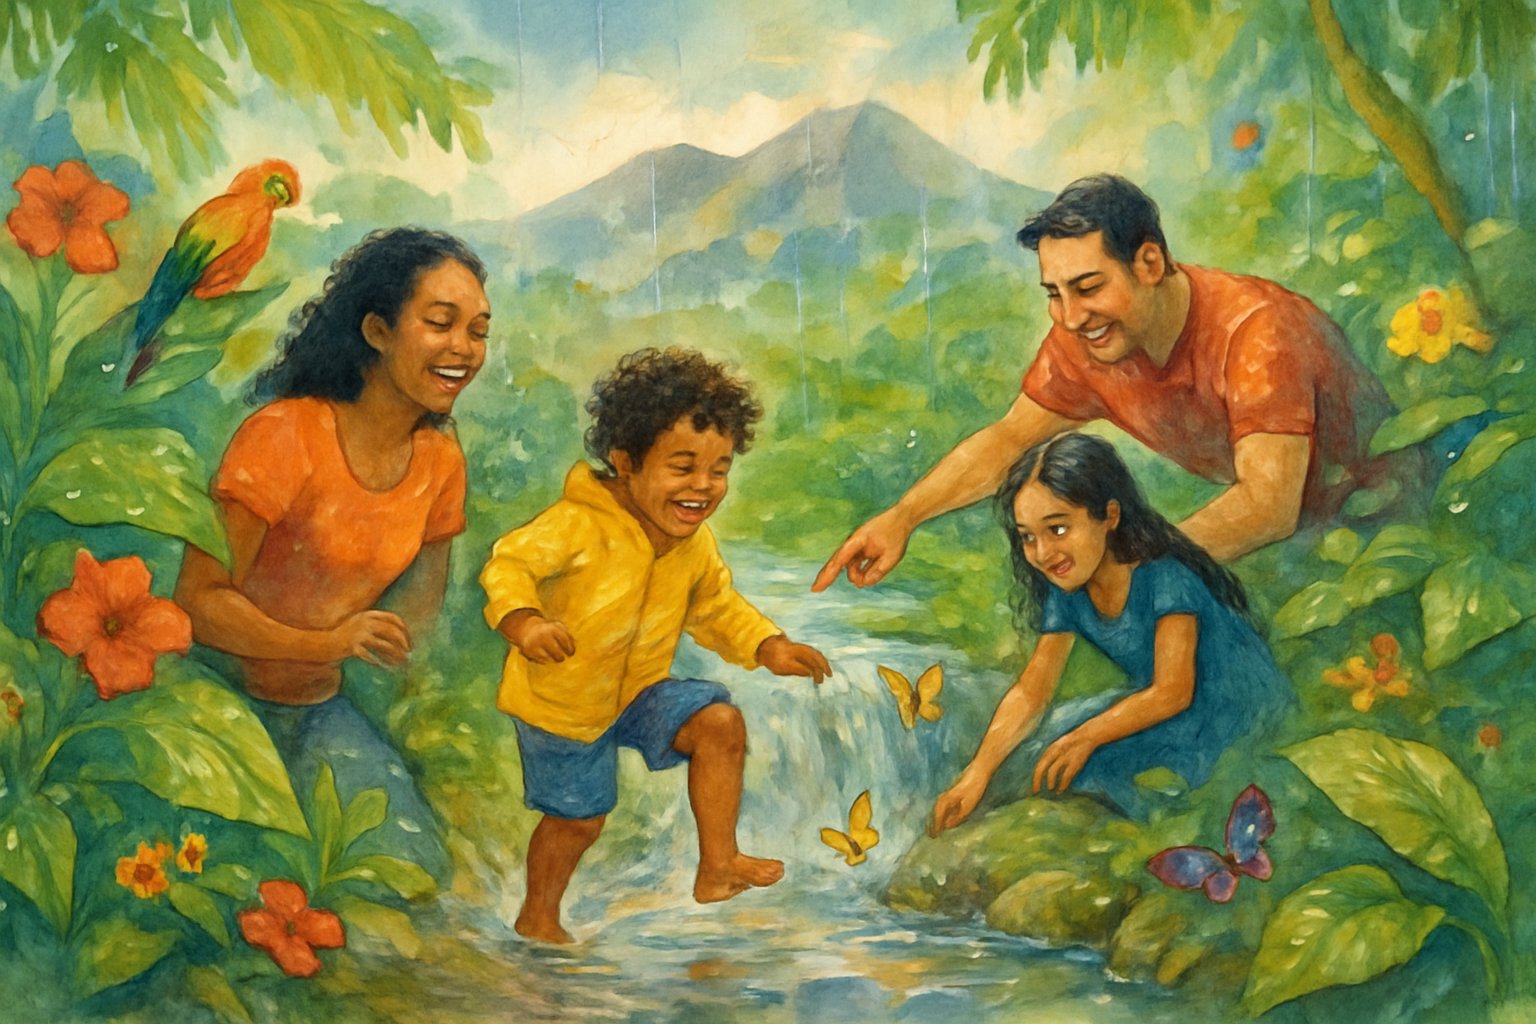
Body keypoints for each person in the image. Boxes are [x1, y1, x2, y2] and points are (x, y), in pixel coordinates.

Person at [814, 173, 1398, 587]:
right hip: (1313, 543)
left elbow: (1269, 505)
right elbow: (1010, 440)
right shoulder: (1089, 341)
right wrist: (903, 517)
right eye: (1054, 294)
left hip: (1390, 513)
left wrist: (1129, 571)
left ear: (1149, 264)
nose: (1070, 317)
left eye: (1088, 288)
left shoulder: (1256, 331)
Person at [480, 347, 831, 944]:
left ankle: (718, 865)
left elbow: (715, 607)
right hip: (561, 705)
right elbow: (509, 566)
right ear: (626, 463)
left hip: (639, 692)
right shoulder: (577, 522)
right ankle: (538, 915)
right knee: (579, 820)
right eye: (683, 467)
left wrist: (768, 645)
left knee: (719, 724)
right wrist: (524, 622)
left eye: (719, 469)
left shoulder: (692, 544)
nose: (703, 487)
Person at [175, 227, 491, 879]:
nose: (463, 348)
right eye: (440, 323)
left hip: (320, 711)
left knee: (414, 874)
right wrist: (327, 642)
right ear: (377, 330)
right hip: (212, 704)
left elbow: (419, 614)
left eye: (478, 331)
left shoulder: (440, 462)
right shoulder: (284, 435)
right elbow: (196, 605)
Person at [930, 433, 1292, 830]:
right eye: (1028, 537)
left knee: (1088, 770)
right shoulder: (1069, 589)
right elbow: (1032, 691)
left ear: (1110, 516)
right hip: (1157, 705)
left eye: (1058, 529)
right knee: (1035, 757)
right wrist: (977, 773)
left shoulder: (1165, 577)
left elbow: (1173, 691)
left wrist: (1085, 737)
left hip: (1233, 713)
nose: (1043, 553)